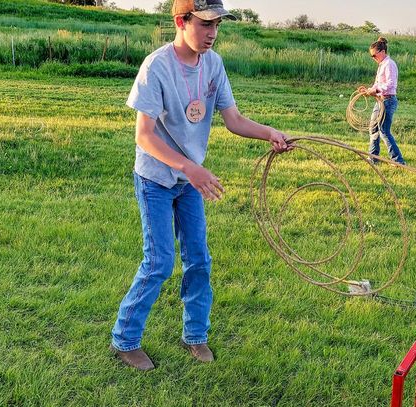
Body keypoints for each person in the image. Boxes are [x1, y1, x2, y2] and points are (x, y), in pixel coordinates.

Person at [109, 0, 293, 371]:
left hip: (189, 180)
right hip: (157, 178)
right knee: (159, 262)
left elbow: (234, 119)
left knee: (199, 260)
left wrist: (269, 133)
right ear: (182, 21)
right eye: (205, 24)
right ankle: (125, 339)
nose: (212, 33)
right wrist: (189, 168)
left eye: (217, 25)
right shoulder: (156, 66)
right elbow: (144, 137)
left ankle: (195, 335)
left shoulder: (214, 64)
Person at [358, 37, 405, 165]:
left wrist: (376, 90)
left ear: (382, 51)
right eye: (371, 56)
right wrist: (368, 90)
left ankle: (398, 161)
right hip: (380, 101)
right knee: (373, 128)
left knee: (383, 130)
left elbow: (390, 84)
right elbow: (378, 84)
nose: (373, 58)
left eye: (374, 55)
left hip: (388, 101)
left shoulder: (389, 64)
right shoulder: (382, 65)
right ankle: (373, 159)